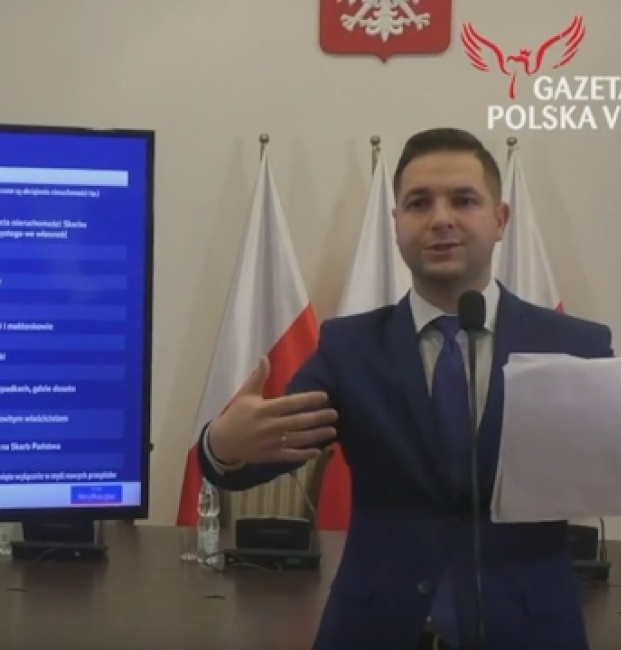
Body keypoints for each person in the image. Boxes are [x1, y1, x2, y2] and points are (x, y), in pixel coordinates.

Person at [199, 127, 613, 650]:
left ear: (500, 219)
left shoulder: (575, 344)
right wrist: (223, 445)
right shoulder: (349, 348)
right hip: (375, 629)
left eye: (463, 200)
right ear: (396, 224)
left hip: (530, 629)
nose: (441, 218)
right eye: (419, 203)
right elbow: (258, 455)